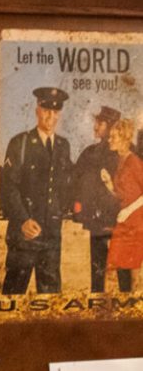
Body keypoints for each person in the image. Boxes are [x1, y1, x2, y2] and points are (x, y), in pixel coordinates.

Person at [0, 87, 73, 294]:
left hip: (51, 237)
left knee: (50, 300)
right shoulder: (20, 143)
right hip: (24, 236)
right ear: (37, 110)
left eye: (56, 111)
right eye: (46, 110)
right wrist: (23, 219)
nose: (51, 116)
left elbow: (65, 185)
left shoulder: (63, 145)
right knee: (14, 294)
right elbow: (8, 187)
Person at [71, 106, 123, 293]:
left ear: (110, 126)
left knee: (124, 272)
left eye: (100, 122)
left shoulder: (126, 152)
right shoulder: (89, 152)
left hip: (121, 221)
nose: (95, 126)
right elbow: (75, 182)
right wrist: (78, 210)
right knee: (97, 271)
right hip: (97, 222)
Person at [102, 118, 143, 292]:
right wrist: (109, 184)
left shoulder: (134, 162)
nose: (109, 140)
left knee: (130, 268)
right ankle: (127, 305)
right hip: (124, 221)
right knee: (120, 267)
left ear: (124, 139)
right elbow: (121, 195)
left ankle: (133, 310)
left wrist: (127, 211)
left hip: (135, 222)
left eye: (113, 137)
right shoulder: (119, 161)